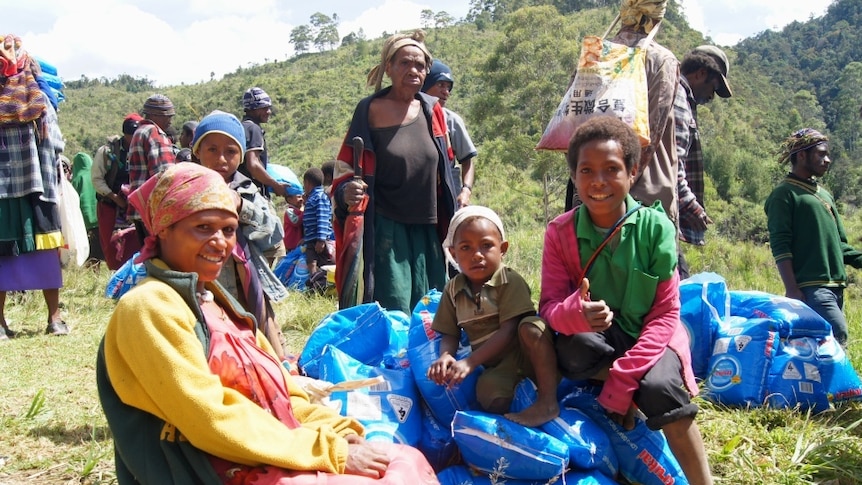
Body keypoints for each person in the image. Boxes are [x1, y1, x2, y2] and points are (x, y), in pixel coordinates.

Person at [96, 162, 439, 484]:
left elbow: (284, 393)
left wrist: (338, 432)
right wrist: (326, 452)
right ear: (164, 230)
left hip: (269, 447)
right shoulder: (148, 306)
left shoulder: (217, 303)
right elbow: (208, 419)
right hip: (208, 466)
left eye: (228, 230)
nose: (220, 242)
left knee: (405, 460)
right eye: (203, 227)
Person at [540, 117, 713, 485]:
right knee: (571, 348)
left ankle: (703, 481)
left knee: (659, 390)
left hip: (653, 336)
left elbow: (665, 314)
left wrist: (623, 380)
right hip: (605, 338)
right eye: (586, 170)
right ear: (574, 175)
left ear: (632, 172)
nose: (598, 182)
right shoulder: (560, 233)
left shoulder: (656, 228)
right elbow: (550, 307)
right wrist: (576, 314)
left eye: (611, 169)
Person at [332, 29, 457, 314]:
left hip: (429, 227)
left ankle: (429, 358)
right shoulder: (369, 110)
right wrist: (345, 192)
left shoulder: (432, 110)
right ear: (388, 67)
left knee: (432, 308)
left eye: (420, 65)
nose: (413, 70)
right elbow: (346, 167)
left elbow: (447, 168)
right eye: (404, 63)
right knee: (393, 306)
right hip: (386, 230)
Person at [428, 206, 559, 427]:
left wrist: (469, 362)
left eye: (486, 245)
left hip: (525, 356)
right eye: (466, 247)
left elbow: (509, 331)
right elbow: (450, 333)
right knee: (488, 394)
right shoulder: (453, 290)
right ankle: (520, 405)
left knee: (531, 327)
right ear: (453, 254)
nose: (477, 255)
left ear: (503, 248)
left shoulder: (508, 280)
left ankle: (547, 400)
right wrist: (445, 356)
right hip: (498, 366)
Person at [192, 110, 290, 362]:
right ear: (197, 152)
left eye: (231, 151)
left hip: (246, 288)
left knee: (263, 350)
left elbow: (274, 233)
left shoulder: (247, 191)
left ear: (242, 155)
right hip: (199, 287)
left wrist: (242, 207)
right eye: (211, 150)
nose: (221, 158)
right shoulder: (186, 188)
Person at [764, 129, 862, 346]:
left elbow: (840, 245)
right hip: (812, 287)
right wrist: (792, 288)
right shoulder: (784, 194)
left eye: (828, 155)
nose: (827, 160)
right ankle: (845, 382)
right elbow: (780, 244)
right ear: (801, 155)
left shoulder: (824, 194)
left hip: (836, 285)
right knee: (837, 335)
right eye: (820, 154)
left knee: (819, 348)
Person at [0, 35, 68, 337]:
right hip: (38, 190)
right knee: (46, 251)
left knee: (2, 254)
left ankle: (0, 325)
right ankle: (54, 319)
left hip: (3, 194)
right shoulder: (40, 102)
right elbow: (55, 144)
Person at [674, 45, 733, 278]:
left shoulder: (666, 90)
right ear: (700, 73)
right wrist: (691, 206)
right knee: (678, 292)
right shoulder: (677, 97)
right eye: (713, 87)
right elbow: (671, 164)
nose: (711, 97)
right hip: (651, 213)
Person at [421, 59, 477, 208]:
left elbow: (467, 161)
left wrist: (466, 191)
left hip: (448, 198)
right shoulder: (408, 118)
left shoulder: (452, 121)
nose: (446, 92)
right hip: (418, 199)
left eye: (448, 87)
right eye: (440, 84)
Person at [92, 113, 144, 270]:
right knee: (111, 244)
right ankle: (116, 275)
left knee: (135, 242)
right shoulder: (107, 152)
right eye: (129, 135)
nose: (132, 139)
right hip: (110, 204)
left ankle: (132, 273)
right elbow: (97, 180)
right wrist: (115, 198)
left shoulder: (143, 150)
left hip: (134, 206)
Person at [127, 94, 177, 243]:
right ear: (156, 115)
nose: (170, 121)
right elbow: (164, 175)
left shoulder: (139, 132)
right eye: (167, 116)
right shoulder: (154, 133)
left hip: (140, 208)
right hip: (153, 210)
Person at [241, 86, 288, 198]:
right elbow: (253, 165)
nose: (269, 112)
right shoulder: (254, 129)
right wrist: (275, 185)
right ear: (253, 109)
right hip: (253, 194)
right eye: (264, 108)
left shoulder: (242, 127)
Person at [303, 166, 335, 289]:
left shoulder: (320, 197)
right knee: (311, 261)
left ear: (307, 183)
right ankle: (314, 282)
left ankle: (324, 283)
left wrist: (321, 239)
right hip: (311, 239)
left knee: (324, 262)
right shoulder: (312, 198)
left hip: (319, 239)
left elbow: (322, 218)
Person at [70, 152, 103, 266]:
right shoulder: (97, 177)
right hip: (100, 219)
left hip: (84, 223)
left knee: (89, 252)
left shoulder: (76, 179)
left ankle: (92, 273)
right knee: (99, 249)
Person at [283, 185, 305, 252]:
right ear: (289, 200)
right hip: (292, 244)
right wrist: (305, 212)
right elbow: (296, 222)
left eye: (301, 197)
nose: (301, 199)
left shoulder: (300, 211)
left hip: (299, 242)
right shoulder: (289, 211)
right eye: (298, 197)